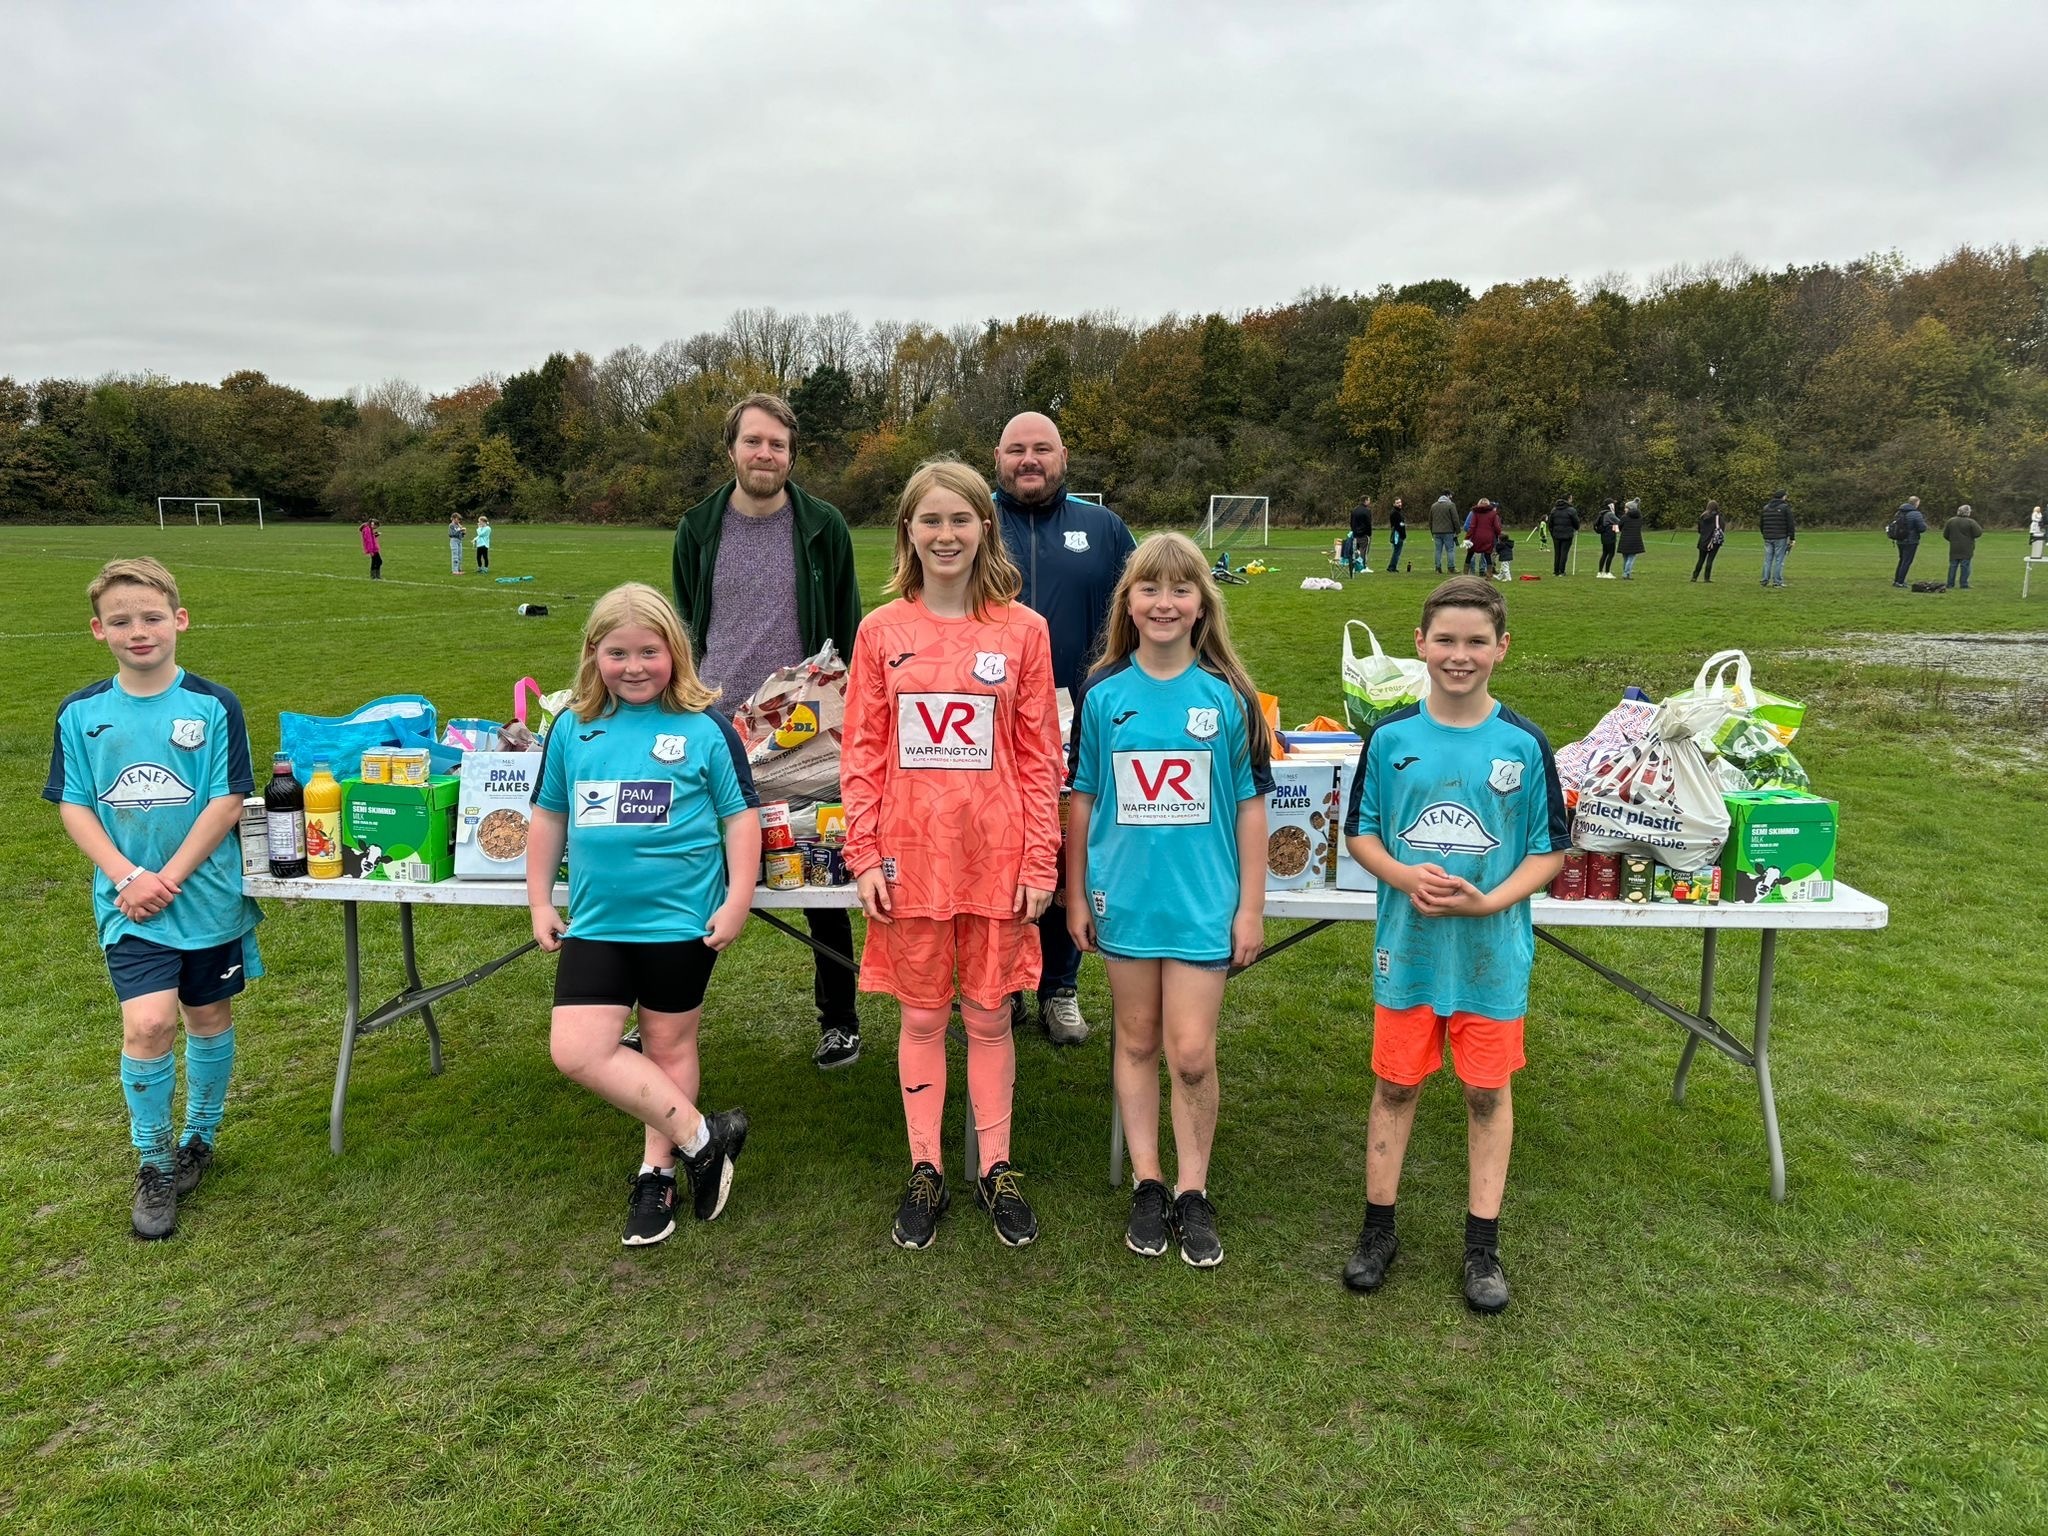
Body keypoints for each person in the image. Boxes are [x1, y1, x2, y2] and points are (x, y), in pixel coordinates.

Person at [841, 459, 1062, 1250]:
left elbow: (1041, 757)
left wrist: (1043, 859)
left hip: (998, 857)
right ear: (909, 531)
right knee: (925, 1013)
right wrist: (863, 853)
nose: (945, 535)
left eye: (960, 520)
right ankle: (926, 1168)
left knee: (991, 1016)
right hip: (910, 856)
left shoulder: (1023, 631)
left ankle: (997, 1167)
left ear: (984, 529)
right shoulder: (879, 632)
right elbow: (861, 752)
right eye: (930, 521)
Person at [1339, 575, 1568, 1314]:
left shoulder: (1524, 743)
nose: (1459, 655)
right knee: (1396, 1084)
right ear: (1420, 645)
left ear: (1502, 648)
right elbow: (1362, 832)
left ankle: (1482, 1244)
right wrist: (1405, 877)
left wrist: (1490, 899)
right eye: (1445, 640)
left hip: (1491, 954)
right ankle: (1379, 1230)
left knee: (1484, 1091)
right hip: (1407, 951)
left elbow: (1547, 850)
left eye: (1475, 641)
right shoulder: (1391, 737)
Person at [527, 583, 760, 1248]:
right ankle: (704, 1140)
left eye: (649, 652)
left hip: (680, 924)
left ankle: (656, 1169)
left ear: (675, 653)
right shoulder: (573, 725)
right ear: (593, 655)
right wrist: (541, 898)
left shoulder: (705, 726)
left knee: (667, 1046)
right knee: (576, 1050)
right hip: (598, 922)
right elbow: (548, 814)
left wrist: (737, 896)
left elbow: (739, 817)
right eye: (617, 653)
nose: (634, 667)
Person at [1066, 532, 1271, 1268]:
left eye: (1180, 589)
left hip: (1201, 905)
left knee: (1189, 1054)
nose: (1164, 602)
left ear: (1201, 606)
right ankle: (1148, 1182)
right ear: (1129, 602)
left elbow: (1251, 809)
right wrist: (1075, 893)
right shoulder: (1102, 693)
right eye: (1149, 588)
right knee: (1137, 1041)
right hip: (1124, 902)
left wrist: (1250, 906)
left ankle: (1194, 1189)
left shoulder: (1228, 700)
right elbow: (1082, 799)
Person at [44, 558, 265, 1241]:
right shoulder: (82, 713)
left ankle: (199, 1139)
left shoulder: (213, 704)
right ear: (97, 631)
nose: (138, 631)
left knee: (206, 1017)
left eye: (150, 617)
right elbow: (75, 805)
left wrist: (166, 873)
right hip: (130, 905)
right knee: (146, 1026)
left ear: (179, 620)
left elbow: (228, 799)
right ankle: (154, 1161)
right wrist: (127, 876)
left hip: (206, 900)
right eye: (121, 621)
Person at [672, 393, 866, 1070]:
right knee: (693, 868)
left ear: (791, 454)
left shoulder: (823, 526)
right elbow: (691, 623)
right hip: (718, 724)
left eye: (777, 445)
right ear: (732, 449)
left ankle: (839, 1019)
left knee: (821, 872)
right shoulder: (699, 526)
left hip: (803, 727)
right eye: (753, 442)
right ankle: (664, 1015)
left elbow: (846, 624)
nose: (765, 455)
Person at [990, 411, 1137, 1046]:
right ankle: (1001, 987)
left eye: (1041, 449)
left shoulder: (1102, 528)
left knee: (1062, 848)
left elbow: (1134, 615)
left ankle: (1059, 987)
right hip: (987, 721)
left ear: (1063, 455)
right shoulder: (974, 522)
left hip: (1080, 719)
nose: (1029, 460)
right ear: (997, 457)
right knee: (994, 849)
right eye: (1017, 450)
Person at [1891, 495, 1930, 588]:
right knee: (1907, 561)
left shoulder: (1899, 512)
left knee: (1902, 560)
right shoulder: (1916, 514)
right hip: (1911, 541)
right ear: (1916, 503)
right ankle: (1900, 582)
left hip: (1900, 539)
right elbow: (1922, 528)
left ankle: (1897, 580)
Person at [1759, 489, 1796, 587]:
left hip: (1768, 537)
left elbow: (1761, 524)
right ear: (1783, 497)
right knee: (1779, 559)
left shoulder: (1766, 508)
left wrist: (1765, 534)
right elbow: (1790, 523)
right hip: (1780, 537)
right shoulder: (1785, 507)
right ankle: (1777, 581)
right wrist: (1792, 537)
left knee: (1768, 559)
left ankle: (1764, 580)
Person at [1943, 504, 1984, 590]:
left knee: (1953, 565)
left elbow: (1945, 535)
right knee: (1965, 565)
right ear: (1968, 512)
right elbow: (1978, 533)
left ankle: (1950, 584)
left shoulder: (1951, 521)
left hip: (1954, 547)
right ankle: (1964, 584)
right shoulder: (1971, 522)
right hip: (1967, 547)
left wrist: (1952, 540)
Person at [1466, 499, 1502, 577]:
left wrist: (1467, 537)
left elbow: (1472, 526)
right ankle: (1489, 575)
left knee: (1470, 554)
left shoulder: (1475, 513)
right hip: (1488, 538)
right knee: (1487, 555)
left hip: (1476, 537)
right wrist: (1500, 535)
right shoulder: (1493, 514)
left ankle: (1465, 574)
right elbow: (1497, 527)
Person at [1691, 502, 1724, 583]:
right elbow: (1721, 528)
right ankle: (1706, 578)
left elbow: (1699, 529)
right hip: (1714, 542)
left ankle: (1694, 576)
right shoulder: (1717, 517)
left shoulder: (1702, 516)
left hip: (1702, 541)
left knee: (1700, 559)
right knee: (1710, 560)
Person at [1546, 497, 1579, 576]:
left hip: (1556, 535)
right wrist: (1575, 528)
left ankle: (1556, 571)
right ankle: (1562, 571)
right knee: (1564, 553)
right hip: (1567, 535)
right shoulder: (1571, 510)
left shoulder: (1554, 510)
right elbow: (1576, 522)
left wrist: (1553, 533)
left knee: (1557, 553)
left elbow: (1550, 524)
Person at [1429, 493, 1459, 573]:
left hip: (1436, 532)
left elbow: (1430, 520)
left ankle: (1437, 568)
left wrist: (1432, 531)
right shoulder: (1451, 505)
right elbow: (1455, 519)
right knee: (1450, 550)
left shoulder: (1433, 506)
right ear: (1447, 497)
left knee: (1438, 550)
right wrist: (1457, 531)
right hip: (1448, 531)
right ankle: (1451, 568)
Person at [1618, 498, 1646, 579]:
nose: (1624, 509)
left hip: (1624, 540)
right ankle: (1626, 574)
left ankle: (1625, 573)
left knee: (1626, 559)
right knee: (1630, 558)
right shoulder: (1639, 518)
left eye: (1626, 508)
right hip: (1635, 541)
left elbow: (1619, 527)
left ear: (1630, 509)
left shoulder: (1624, 517)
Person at [1346, 496, 1374, 574]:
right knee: (1364, 551)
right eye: (1368, 500)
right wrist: (1369, 534)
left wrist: (1353, 531)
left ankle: (1355, 567)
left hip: (1355, 534)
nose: (1369, 502)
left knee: (1355, 551)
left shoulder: (1354, 510)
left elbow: (1351, 522)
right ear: (1365, 501)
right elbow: (1368, 524)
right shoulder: (1367, 511)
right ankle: (1363, 566)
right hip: (1364, 534)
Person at [1594, 500, 1621, 578]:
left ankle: (1600, 572)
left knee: (1605, 553)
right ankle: (1607, 572)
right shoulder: (1610, 514)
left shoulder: (1602, 513)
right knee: (1611, 554)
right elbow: (1619, 522)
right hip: (1610, 536)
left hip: (1604, 536)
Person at [1387, 498, 1408, 574]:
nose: (1399, 504)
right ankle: (1392, 567)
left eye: (1400, 502)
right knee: (1397, 551)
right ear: (1394, 504)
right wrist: (1403, 535)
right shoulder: (1395, 513)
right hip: (1397, 534)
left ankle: (1392, 566)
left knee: (1396, 551)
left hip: (1398, 533)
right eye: (1397, 503)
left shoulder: (1398, 512)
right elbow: (1398, 526)